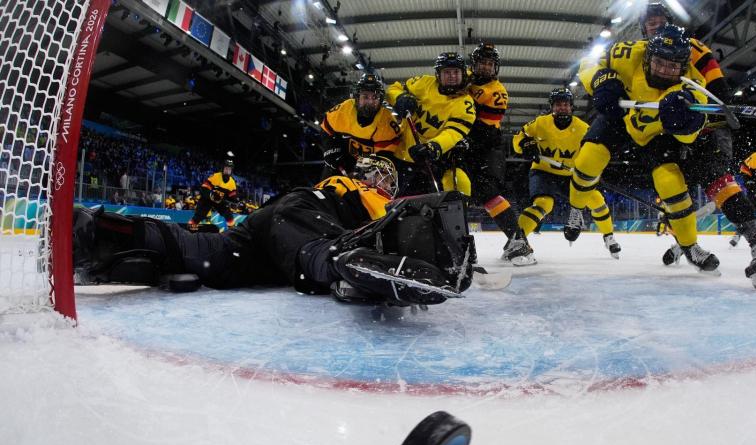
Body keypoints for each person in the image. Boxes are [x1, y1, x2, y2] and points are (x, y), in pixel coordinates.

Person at [72, 156, 474, 306]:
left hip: (268, 232)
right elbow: (387, 225)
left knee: (203, 253)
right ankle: (343, 264)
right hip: (302, 219)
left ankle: (103, 234)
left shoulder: (341, 184)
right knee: (322, 252)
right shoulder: (364, 192)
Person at [576, 25, 756, 287]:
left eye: (659, 20)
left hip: (701, 132)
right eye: (650, 23)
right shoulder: (635, 56)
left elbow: (717, 91)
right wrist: (600, 79)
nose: (665, 68)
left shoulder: (692, 63)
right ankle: (686, 243)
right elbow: (590, 65)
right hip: (664, 139)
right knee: (671, 191)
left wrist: (698, 113)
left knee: (715, 179)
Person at [512, 88, 621, 257]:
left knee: (596, 199)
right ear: (552, 107)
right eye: (557, 105)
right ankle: (517, 241)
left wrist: (591, 172)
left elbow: (592, 153)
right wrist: (525, 144)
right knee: (544, 203)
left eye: (565, 104)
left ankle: (609, 237)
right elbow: (518, 138)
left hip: (571, 176)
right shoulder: (540, 123)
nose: (562, 108)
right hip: (543, 172)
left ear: (571, 107)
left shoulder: (583, 128)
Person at [462, 43, 535, 266]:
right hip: (465, 144)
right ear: (473, 65)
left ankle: (518, 241)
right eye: (481, 63)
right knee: (457, 194)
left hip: (486, 146)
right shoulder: (464, 77)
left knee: (488, 193)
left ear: (496, 68)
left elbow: (481, 125)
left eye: (489, 64)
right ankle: (460, 246)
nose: (485, 67)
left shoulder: (497, 92)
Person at [385, 51, 476, 197]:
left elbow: (453, 133)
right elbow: (392, 89)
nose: (452, 76)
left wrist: (434, 147)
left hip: (428, 161)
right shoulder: (424, 83)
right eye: (447, 72)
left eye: (456, 72)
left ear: (463, 74)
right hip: (399, 154)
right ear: (438, 74)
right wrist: (400, 97)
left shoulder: (466, 104)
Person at [318, 73, 408, 181]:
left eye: (375, 97)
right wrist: (331, 150)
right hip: (341, 162)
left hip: (368, 170)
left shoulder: (387, 121)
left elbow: (387, 156)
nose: (370, 102)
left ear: (380, 99)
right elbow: (326, 129)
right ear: (356, 97)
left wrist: (374, 171)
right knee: (325, 190)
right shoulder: (344, 110)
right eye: (365, 96)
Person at [188, 153, 239, 231]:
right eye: (226, 168)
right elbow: (204, 188)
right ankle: (191, 227)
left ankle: (232, 231)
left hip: (219, 201)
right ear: (223, 169)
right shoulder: (216, 176)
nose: (227, 171)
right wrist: (211, 195)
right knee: (199, 215)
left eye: (229, 169)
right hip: (208, 199)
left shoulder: (232, 183)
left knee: (228, 215)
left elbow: (232, 197)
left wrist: (237, 201)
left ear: (231, 171)